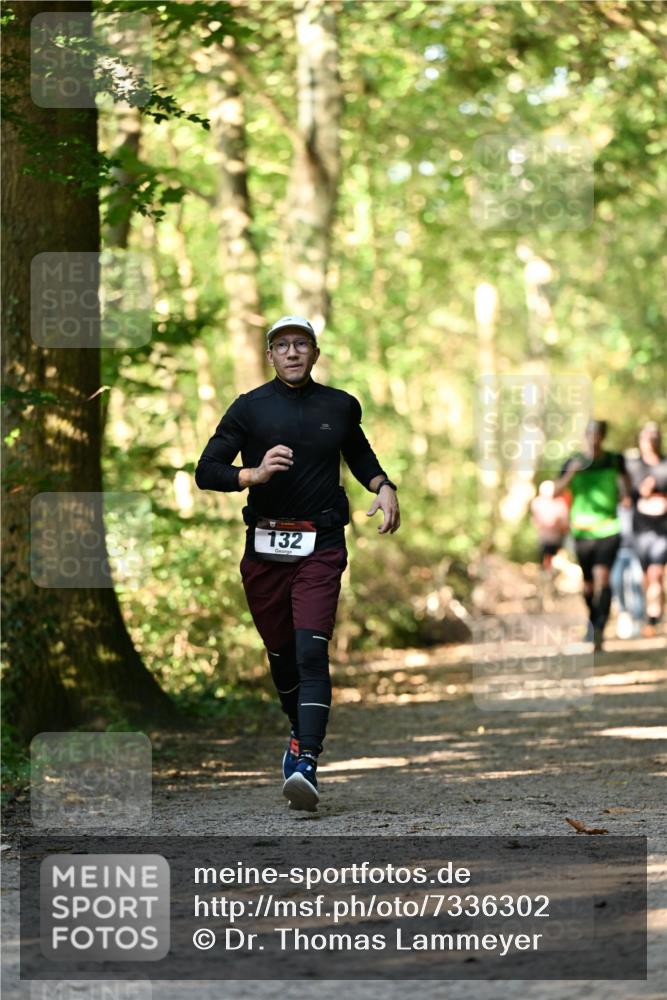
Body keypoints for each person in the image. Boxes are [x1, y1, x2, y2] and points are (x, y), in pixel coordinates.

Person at [194, 316, 400, 811]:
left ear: (314, 352)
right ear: (270, 355)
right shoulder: (249, 408)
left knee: (311, 649)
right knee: (282, 654)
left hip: (322, 543)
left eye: (300, 344)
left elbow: (361, 456)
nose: (292, 353)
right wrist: (253, 473)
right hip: (265, 547)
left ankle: (307, 760)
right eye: (282, 345)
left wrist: (385, 487)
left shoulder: (340, 405)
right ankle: (296, 733)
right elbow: (206, 471)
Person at [554, 419, 632, 652]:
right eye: (590, 433)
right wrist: (571, 473)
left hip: (608, 528)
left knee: (603, 579)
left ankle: (599, 627)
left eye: (597, 434)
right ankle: (592, 619)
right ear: (585, 436)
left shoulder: (614, 460)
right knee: (587, 585)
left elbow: (627, 490)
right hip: (581, 532)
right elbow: (555, 491)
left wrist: (624, 492)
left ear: (603, 436)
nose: (593, 438)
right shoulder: (573, 461)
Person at [628, 421, 667, 636]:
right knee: (645, 575)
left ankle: (653, 618)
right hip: (640, 529)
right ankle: (649, 612)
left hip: (663, 529)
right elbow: (626, 495)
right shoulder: (633, 466)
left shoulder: (665, 465)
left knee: (656, 573)